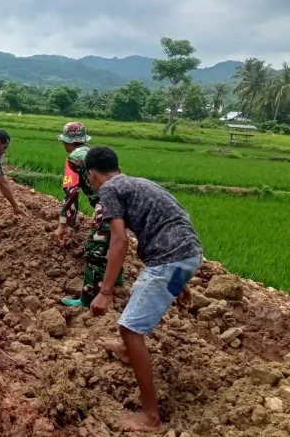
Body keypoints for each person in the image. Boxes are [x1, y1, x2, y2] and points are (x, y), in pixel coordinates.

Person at [84, 146, 203, 433]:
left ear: (91, 175)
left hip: (169, 260)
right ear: (118, 165)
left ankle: (150, 416)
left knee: (129, 327)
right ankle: (126, 351)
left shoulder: (109, 189)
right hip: (189, 254)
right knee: (134, 317)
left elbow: (119, 241)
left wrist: (105, 291)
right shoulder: (138, 182)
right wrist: (179, 282)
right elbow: (172, 224)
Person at [53, 122, 123, 308]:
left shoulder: (74, 159)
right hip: (120, 204)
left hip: (107, 206)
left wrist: (62, 225)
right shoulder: (92, 155)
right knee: (115, 239)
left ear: (69, 142)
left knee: (94, 250)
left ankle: (88, 299)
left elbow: (70, 194)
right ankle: (117, 280)